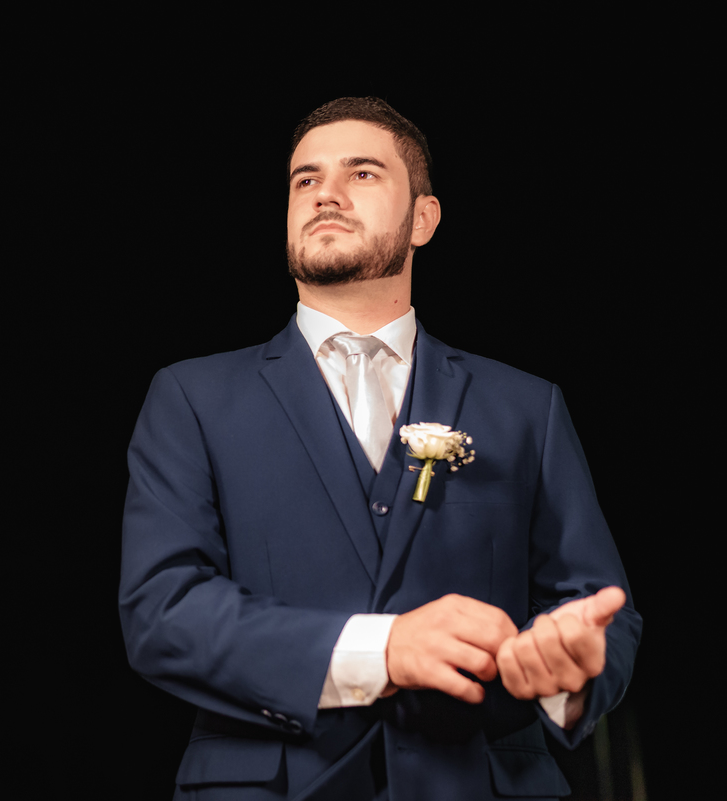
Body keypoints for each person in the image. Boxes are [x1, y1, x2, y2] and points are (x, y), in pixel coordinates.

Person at [119, 97, 640, 801]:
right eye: (305, 180)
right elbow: (162, 613)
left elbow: (599, 610)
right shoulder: (191, 397)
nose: (325, 193)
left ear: (423, 218)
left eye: (361, 173)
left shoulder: (527, 406)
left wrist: (566, 677)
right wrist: (383, 650)